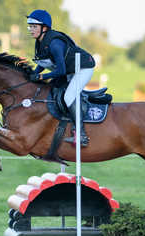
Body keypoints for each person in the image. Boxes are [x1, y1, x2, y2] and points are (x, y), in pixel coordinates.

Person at [26, 9, 95, 147]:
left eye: (34, 26)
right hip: (70, 69)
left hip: (83, 68)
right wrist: (32, 75)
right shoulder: (40, 41)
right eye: (30, 26)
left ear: (44, 28)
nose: (30, 29)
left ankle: (81, 134)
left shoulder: (54, 43)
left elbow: (61, 70)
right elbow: (43, 62)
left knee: (68, 97)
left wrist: (41, 76)